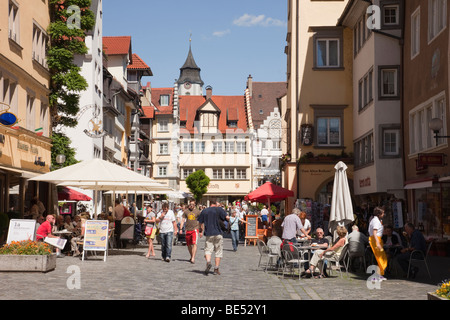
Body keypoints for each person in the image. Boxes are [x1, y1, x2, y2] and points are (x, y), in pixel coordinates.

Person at [198, 201, 230, 275]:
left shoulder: (205, 211)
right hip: (218, 233)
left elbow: (200, 222)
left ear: (210, 204)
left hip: (209, 233)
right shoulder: (219, 209)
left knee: (208, 250)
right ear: (216, 204)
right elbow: (227, 218)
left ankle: (208, 262)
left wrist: (200, 230)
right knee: (218, 251)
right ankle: (216, 269)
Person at [368, 207, 388, 279]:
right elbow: (374, 232)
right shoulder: (376, 221)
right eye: (382, 213)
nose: (383, 214)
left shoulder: (376, 220)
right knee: (380, 258)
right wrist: (378, 243)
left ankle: (379, 274)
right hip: (376, 240)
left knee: (380, 258)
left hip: (376, 239)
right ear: (379, 214)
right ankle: (376, 275)